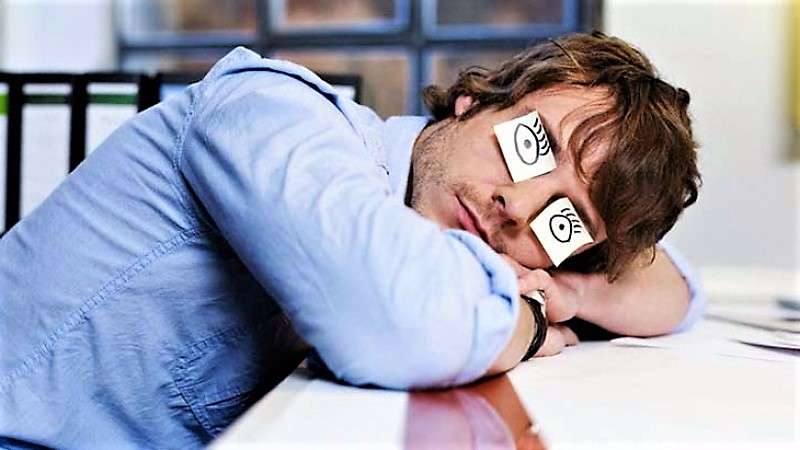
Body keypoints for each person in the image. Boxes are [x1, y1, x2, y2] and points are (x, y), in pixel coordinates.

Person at [0, 31, 702, 448]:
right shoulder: (273, 110)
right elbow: (394, 319)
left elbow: (675, 291)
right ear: (477, 99)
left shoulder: (492, 256)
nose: (517, 207)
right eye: (530, 144)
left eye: (564, 220)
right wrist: (533, 319)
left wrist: (565, 287)